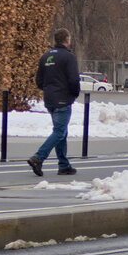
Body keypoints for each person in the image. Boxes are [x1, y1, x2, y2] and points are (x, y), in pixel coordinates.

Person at [28, 28, 81, 177]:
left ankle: (63, 165)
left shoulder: (45, 57)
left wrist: (48, 89)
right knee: (59, 131)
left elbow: (39, 80)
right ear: (67, 40)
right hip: (63, 98)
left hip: (49, 99)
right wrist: (74, 93)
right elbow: (73, 79)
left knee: (61, 132)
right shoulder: (68, 57)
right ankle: (38, 158)